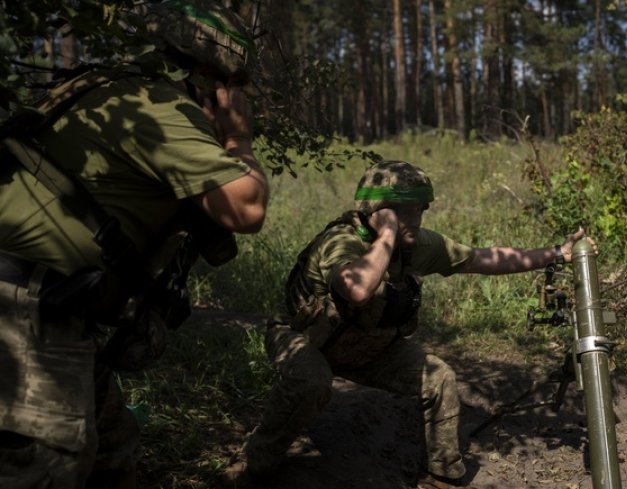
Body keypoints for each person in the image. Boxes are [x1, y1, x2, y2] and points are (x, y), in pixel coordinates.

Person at [0, 1, 269, 488]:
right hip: (24, 309)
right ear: (210, 76)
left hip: (46, 305)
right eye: (232, 88)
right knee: (46, 467)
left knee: (113, 447)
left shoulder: (109, 91)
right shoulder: (165, 107)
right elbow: (245, 208)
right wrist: (238, 138)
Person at [237, 160, 592, 489]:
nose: (417, 219)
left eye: (420, 209)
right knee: (312, 381)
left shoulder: (420, 245)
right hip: (303, 339)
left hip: (364, 347)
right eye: (405, 210)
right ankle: (257, 466)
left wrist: (555, 253)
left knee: (439, 380)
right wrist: (387, 237)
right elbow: (357, 290)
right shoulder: (341, 241)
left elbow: (484, 259)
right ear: (375, 211)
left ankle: (442, 474)